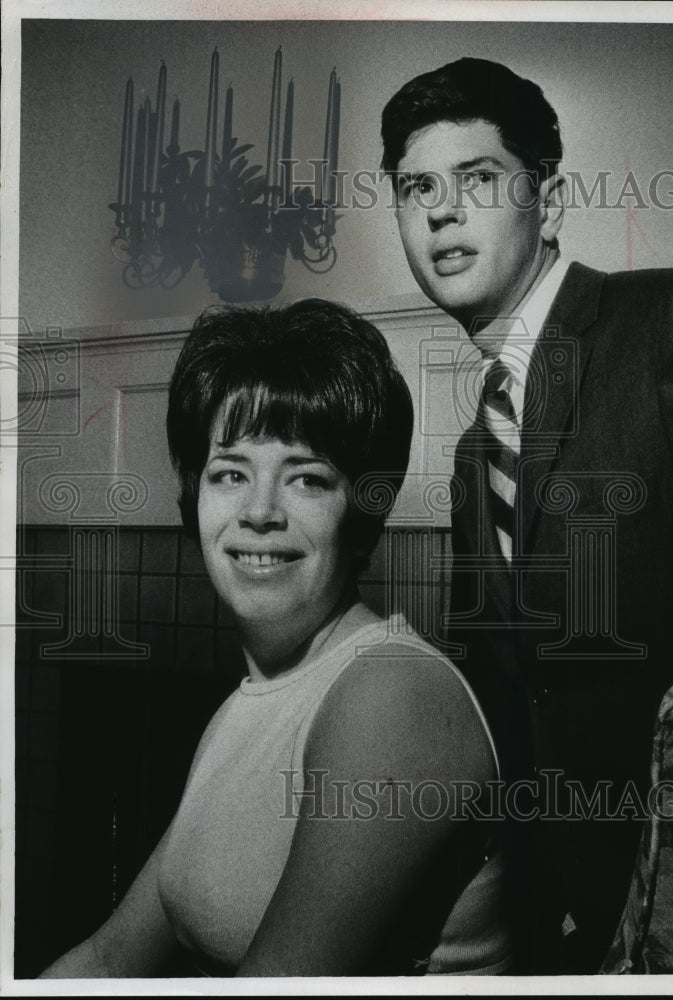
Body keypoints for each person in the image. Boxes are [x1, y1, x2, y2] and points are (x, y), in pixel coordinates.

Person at [381, 57, 673, 974]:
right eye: (416, 187)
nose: (440, 211)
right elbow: (514, 703)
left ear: (548, 202)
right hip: (574, 928)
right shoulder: (477, 454)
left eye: (477, 179)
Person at [40, 299, 512, 978]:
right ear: (193, 498)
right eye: (230, 473)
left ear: (362, 513)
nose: (259, 512)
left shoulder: (394, 696)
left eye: (308, 479)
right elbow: (109, 957)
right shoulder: (246, 706)